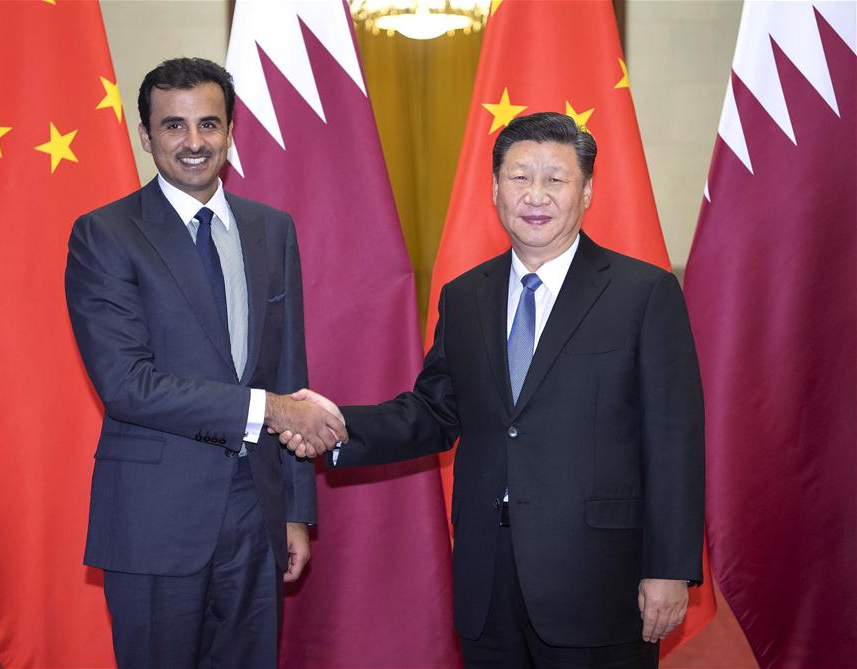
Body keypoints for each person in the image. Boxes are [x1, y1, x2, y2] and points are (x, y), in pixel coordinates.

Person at [283, 112, 704, 669]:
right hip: (487, 575)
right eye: (519, 177)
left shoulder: (643, 293)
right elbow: (434, 412)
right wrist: (337, 424)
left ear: (587, 192)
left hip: (598, 576)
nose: (536, 195)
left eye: (556, 179)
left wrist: (670, 567)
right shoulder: (466, 297)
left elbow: (674, 441)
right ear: (495, 188)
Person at [65, 57, 346, 669]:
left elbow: (289, 373)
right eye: (174, 126)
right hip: (154, 516)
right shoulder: (104, 234)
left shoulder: (272, 229)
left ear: (230, 131)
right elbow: (127, 384)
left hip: (256, 513)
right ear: (146, 136)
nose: (194, 142)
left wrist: (295, 513)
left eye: (209, 124)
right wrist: (268, 410)